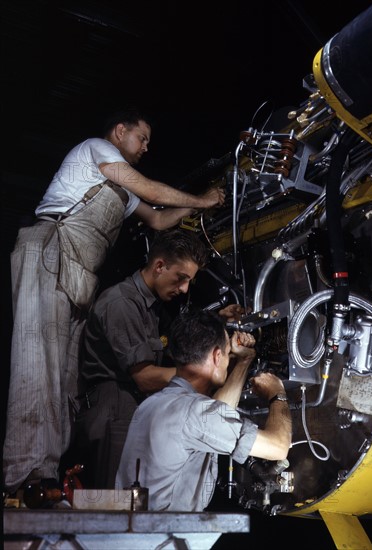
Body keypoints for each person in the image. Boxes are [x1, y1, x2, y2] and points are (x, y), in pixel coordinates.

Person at [3, 108, 225, 495]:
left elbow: (157, 219)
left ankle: (46, 475)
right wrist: (203, 199)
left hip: (78, 273)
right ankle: (24, 478)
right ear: (120, 131)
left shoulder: (122, 197)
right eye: (142, 139)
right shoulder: (96, 150)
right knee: (37, 364)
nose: (145, 148)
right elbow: (151, 190)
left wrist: (198, 205)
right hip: (50, 251)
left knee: (62, 379)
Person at [74, 228, 237, 488]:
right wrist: (202, 369)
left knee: (132, 504)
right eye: (180, 278)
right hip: (114, 408)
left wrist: (218, 322)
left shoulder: (151, 305)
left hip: (129, 406)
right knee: (115, 506)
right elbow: (146, 378)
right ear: (159, 265)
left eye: (188, 281)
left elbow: (176, 344)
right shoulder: (122, 304)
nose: (184, 289)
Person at [115, 309, 292, 512]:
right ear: (217, 356)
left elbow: (217, 414)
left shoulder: (151, 405)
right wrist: (277, 393)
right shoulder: (195, 414)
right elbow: (278, 446)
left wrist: (244, 360)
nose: (228, 360)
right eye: (227, 354)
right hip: (165, 538)